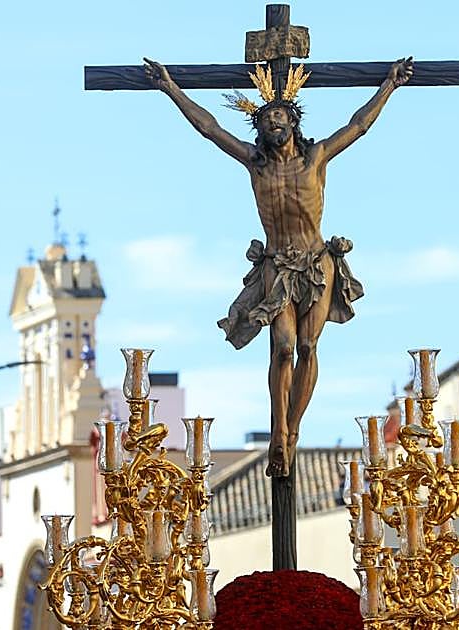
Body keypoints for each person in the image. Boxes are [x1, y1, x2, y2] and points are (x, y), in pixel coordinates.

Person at [144, 56, 414, 476]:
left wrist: (390, 86)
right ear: (260, 126)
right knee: (284, 345)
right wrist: (170, 88)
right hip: (277, 267)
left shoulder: (316, 157)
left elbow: (358, 126)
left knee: (308, 346)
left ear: (293, 120)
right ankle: (277, 434)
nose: (273, 122)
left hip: (317, 265)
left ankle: (292, 431)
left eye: (279, 115)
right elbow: (210, 128)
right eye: (266, 117)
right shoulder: (256, 163)